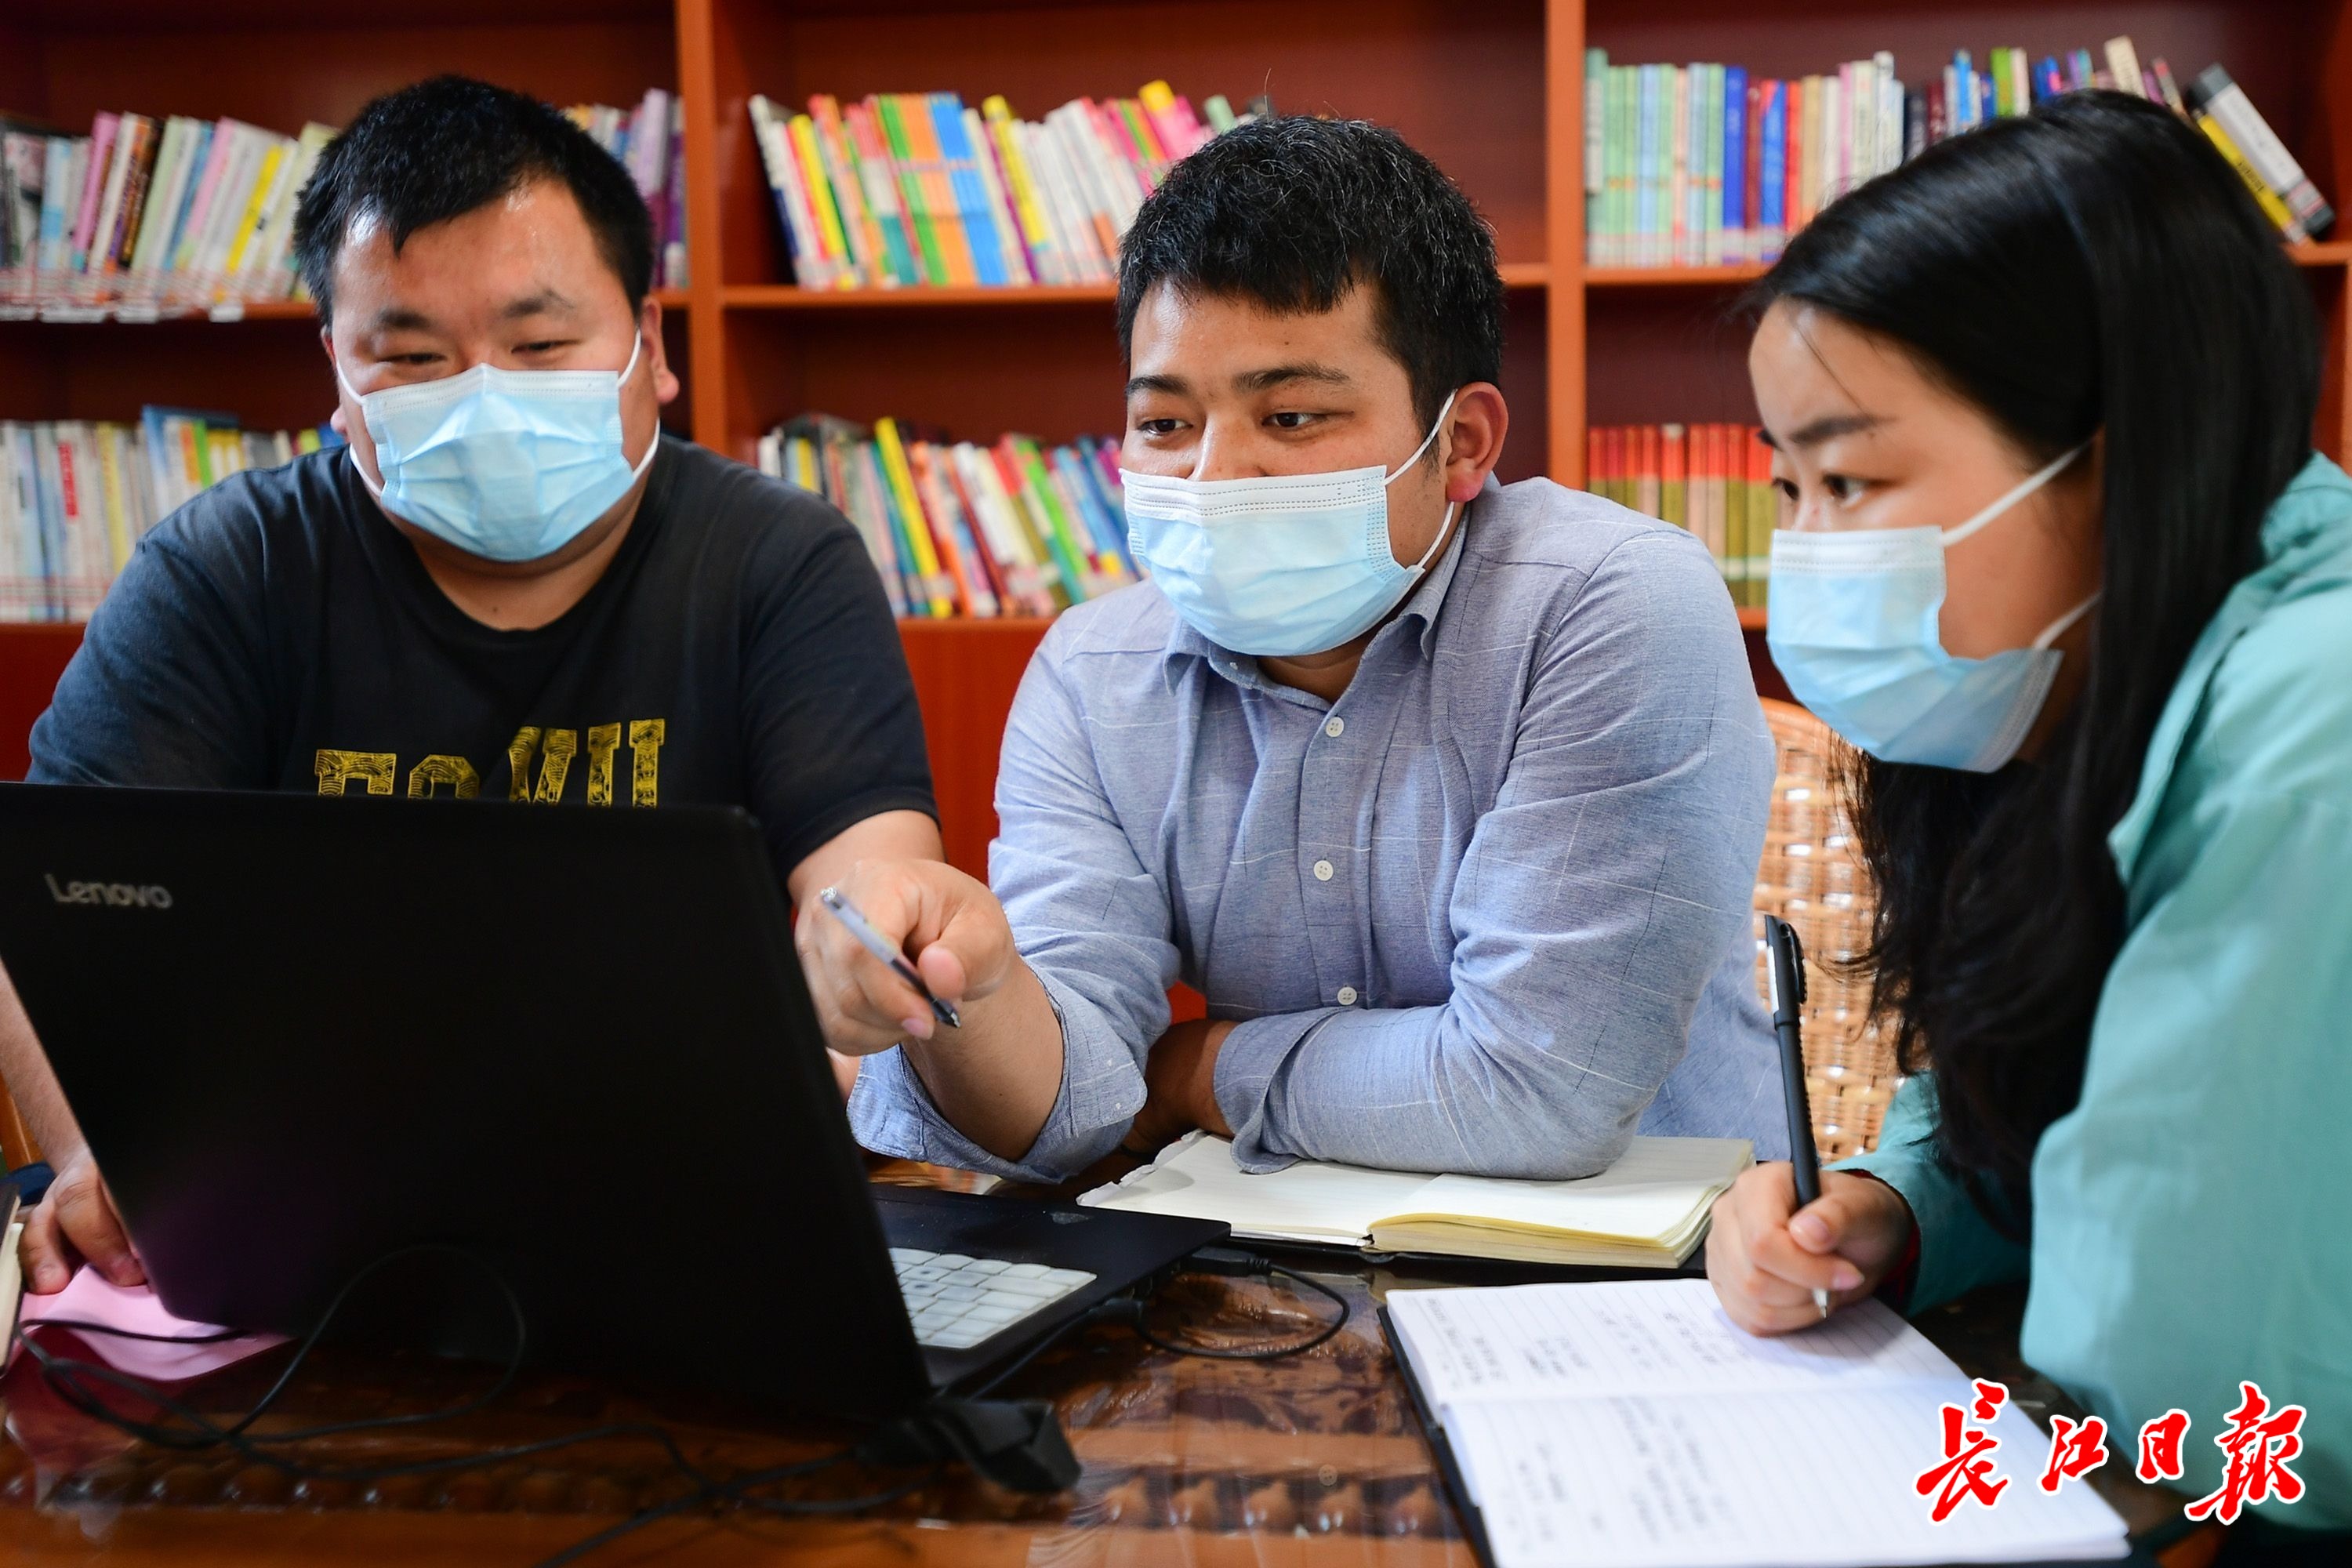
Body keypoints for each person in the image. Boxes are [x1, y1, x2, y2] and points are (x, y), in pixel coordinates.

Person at [2, 78, 939, 1294]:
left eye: (540, 347)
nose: (484, 396)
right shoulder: (229, 569)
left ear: (651, 346)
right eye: (412, 357)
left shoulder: (776, 559)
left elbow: (868, 881)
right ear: (337, 371)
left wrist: (863, 960)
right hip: (295, 1233)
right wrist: (104, 1155)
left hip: (685, 1219)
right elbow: (50, 912)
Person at [800, 115, 1784, 1185]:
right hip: (1264, 1267)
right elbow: (1068, 1107)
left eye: (1294, 417)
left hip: (1651, 1264)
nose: (1214, 479)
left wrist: (1196, 1072)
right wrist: (974, 991)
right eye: (1165, 426)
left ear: (1461, 442)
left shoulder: (1612, 602)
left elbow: (1540, 1094)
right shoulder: (1092, 677)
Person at [1706, 93, 2350, 1536]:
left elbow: (2205, 1365)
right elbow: (2066, 1094)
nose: (1805, 552)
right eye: (1789, 486)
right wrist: (1893, 1205)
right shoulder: (2079, 677)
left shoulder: (2313, 720)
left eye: (1852, 479)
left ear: (2111, 457)